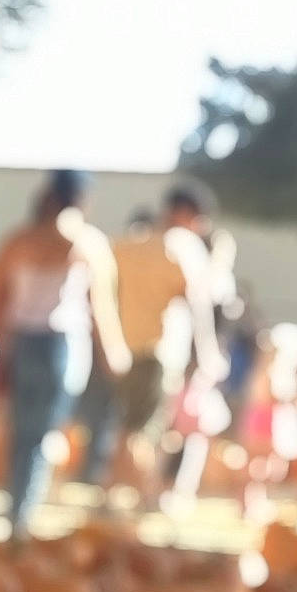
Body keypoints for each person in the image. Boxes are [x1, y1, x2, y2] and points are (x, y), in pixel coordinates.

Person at [0, 169, 130, 534]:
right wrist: (114, 355)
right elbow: (101, 309)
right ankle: (22, 514)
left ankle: (17, 506)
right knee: (43, 433)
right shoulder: (88, 243)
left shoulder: (20, 239)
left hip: (22, 343)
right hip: (62, 347)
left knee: (20, 429)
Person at [74, 183, 225, 494]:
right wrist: (207, 353)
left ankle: (113, 495)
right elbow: (199, 303)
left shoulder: (124, 245)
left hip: (121, 351)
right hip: (159, 353)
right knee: (142, 434)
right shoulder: (181, 247)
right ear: (186, 214)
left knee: (122, 430)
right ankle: (143, 497)